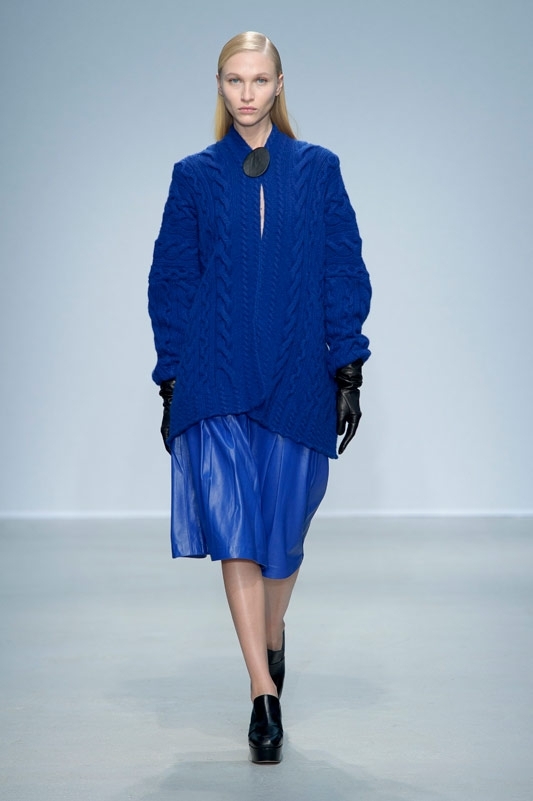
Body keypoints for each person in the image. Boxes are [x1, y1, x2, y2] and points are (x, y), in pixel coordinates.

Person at [148, 31, 371, 764]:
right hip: (214, 375)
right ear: (219, 85)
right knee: (236, 528)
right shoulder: (193, 176)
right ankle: (261, 692)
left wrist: (347, 367)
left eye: (259, 80)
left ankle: (273, 634)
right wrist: (171, 376)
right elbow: (173, 278)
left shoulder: (317, 169)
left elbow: (341, 266)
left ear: (279, 85)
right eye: (234, 80)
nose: (246, 93)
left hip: (298, 372)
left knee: (284, 530)